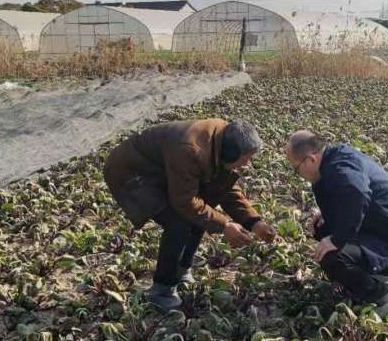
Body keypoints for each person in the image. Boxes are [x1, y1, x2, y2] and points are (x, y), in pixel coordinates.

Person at [104, 119, 276, 310]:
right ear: (231, 154)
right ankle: (162, 289)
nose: (246, 164)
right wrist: (224, 226)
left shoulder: (223, 140)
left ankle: (182, 269)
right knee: (179, 222)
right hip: (132, 172)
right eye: (245, 159)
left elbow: (225, 188)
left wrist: (253, 222)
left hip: (165, 168)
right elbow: (185, 203)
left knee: (202, 209)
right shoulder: (191, 150)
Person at [285, 130, 388, 316]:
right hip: (382, 225)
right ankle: (369, 272)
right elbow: (349, 199)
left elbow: (357, 194)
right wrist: (328, 216)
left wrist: (337, 240)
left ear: (311, 159)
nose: (298, 174)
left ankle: (382, 298)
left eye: (296, 169)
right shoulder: (332, 159)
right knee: (321, 229)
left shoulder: (340, 167)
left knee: (332, 257)